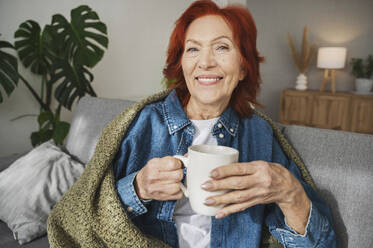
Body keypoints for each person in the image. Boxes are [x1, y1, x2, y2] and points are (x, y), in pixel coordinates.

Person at [113, 1, 338, 247]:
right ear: (182, 64)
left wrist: (290, 193)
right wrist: (138, 188)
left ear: (243, 67)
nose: (206, 62)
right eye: (192, 49)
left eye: (221, 47)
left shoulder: (258, 134)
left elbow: (322, 244)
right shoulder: (144, 123)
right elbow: (90, 214)